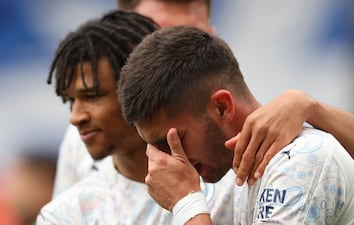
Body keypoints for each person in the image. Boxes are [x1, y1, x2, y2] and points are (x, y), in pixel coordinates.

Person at [53, 0, 354, 199]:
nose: (173, 45)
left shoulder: (223, 120)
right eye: (158, 32)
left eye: (192, 32)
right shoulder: (84, 140)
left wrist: (306, 104)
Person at [117, 26, 354, 224]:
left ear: (222, 107)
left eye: (173, 140)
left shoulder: (299, 162)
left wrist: (187, 204)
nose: (166, 161)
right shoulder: (235, 167)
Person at [37, 10, 233, 225]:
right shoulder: (66, 214)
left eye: (93, 96)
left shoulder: (234, 182)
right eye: (70, 101)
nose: (75, 117)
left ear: (139, 89)